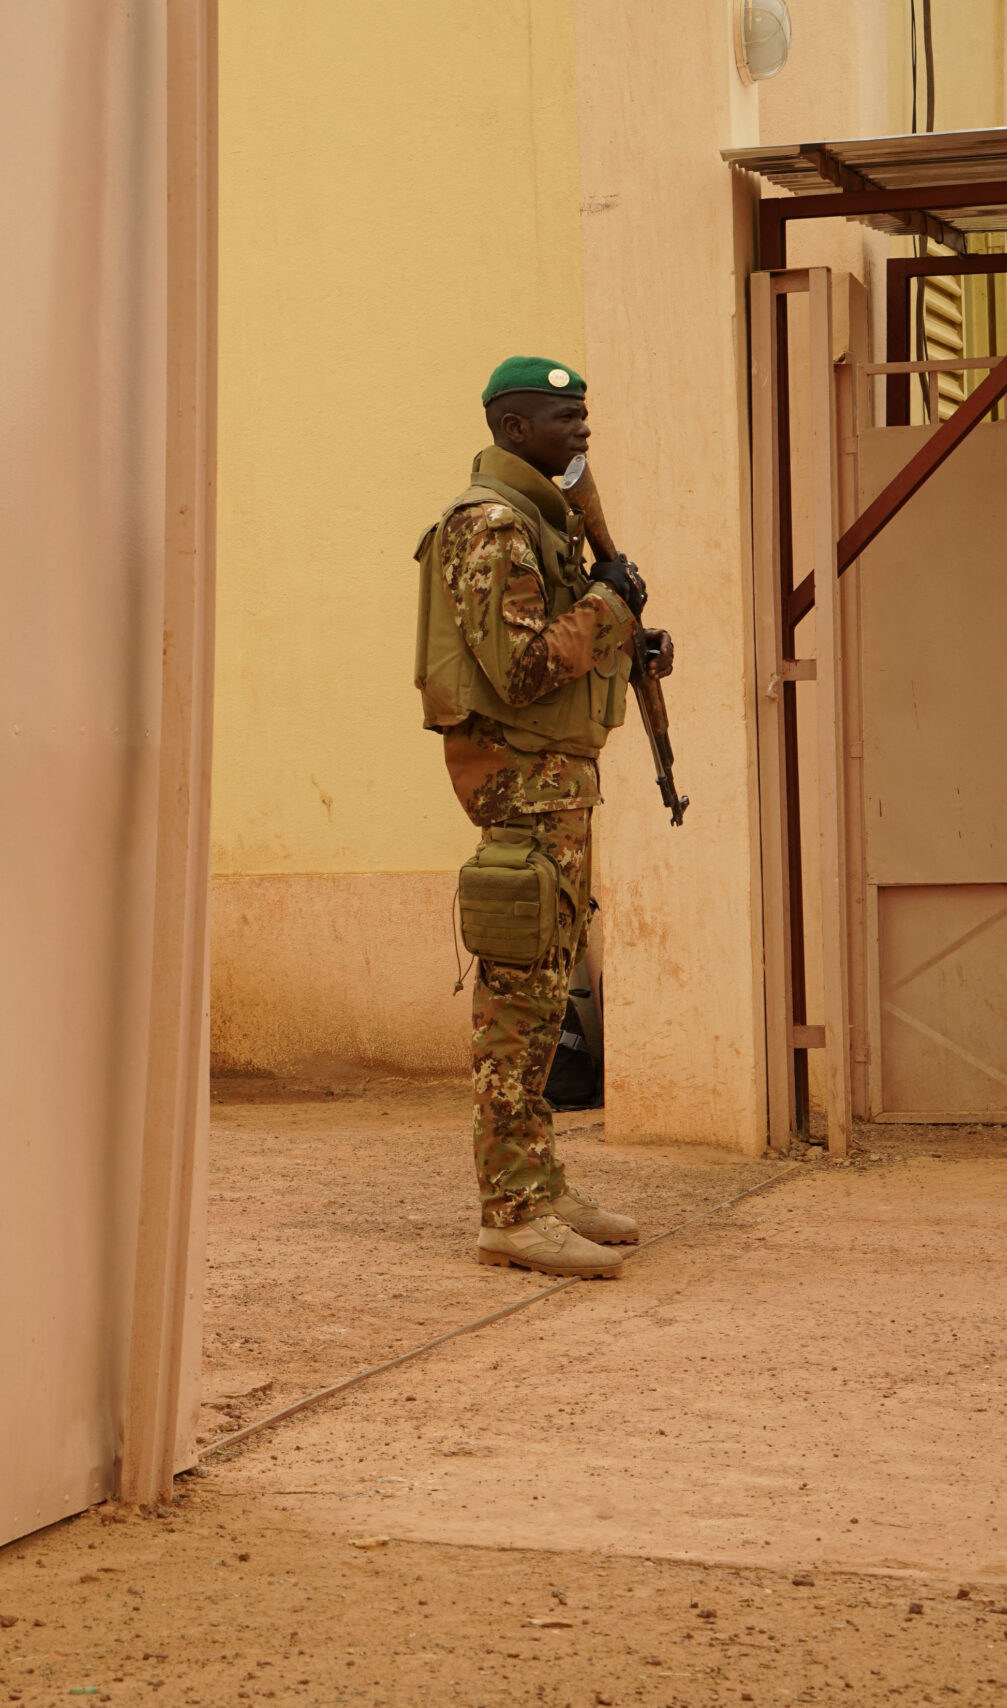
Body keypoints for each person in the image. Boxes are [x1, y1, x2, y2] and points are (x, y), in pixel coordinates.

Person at [412, 357, 664, 1279]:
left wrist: (625, 627)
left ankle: (542, 1186)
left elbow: (565, 648)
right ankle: (510, 1213)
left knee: (548, 998)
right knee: (517, 1012)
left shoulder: (543, 526)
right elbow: (519, 669)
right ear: (514, 429)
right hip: (520, 792)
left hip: (557, 788)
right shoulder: (491, 527)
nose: (582, 430)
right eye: (565, 417)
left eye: (584, 415)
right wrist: (610, 605)